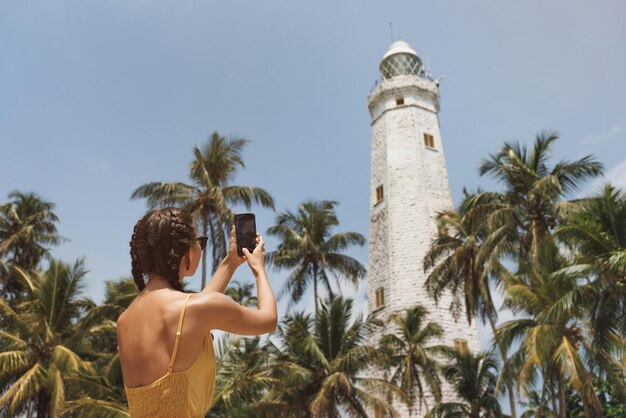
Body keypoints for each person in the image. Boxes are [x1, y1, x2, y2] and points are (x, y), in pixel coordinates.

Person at [116, 207, 277, 417]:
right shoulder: (194, 310)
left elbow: (195, 314)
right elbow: (269, 319)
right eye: (200, 241)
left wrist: (230, 262)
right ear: (187, 251)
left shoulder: (124, 320)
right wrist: (259, 269)